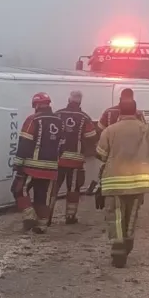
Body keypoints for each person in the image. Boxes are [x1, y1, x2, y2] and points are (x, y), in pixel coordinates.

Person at [96, 99, 149, 268]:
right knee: (132, 214)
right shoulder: (146, 129)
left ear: (119, 112)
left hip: (114, 181)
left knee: (115, 214)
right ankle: (128, 243)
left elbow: (100, 153)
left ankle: (118, 248)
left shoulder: (110, 130)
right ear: (136, 111)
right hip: (139, 180)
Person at [11, 92, 62, 233]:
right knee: (42, 196)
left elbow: (25, 143)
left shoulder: (33, 120)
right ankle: (42, 225)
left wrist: (18, 163)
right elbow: (63, 145)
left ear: (36, 105)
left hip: (31, 167)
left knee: (18, 189)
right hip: (51, 169)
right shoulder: (59, 121)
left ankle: (29, 216)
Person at [54, 90, 98, 224]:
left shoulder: (57, 115)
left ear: (68, 100)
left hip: (57, 160)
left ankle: (46, 217)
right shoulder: (84, 118)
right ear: (80, 102)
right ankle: (70, 217)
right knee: (73, 190)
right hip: (75, 162)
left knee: (52, 189)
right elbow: (92, 137)